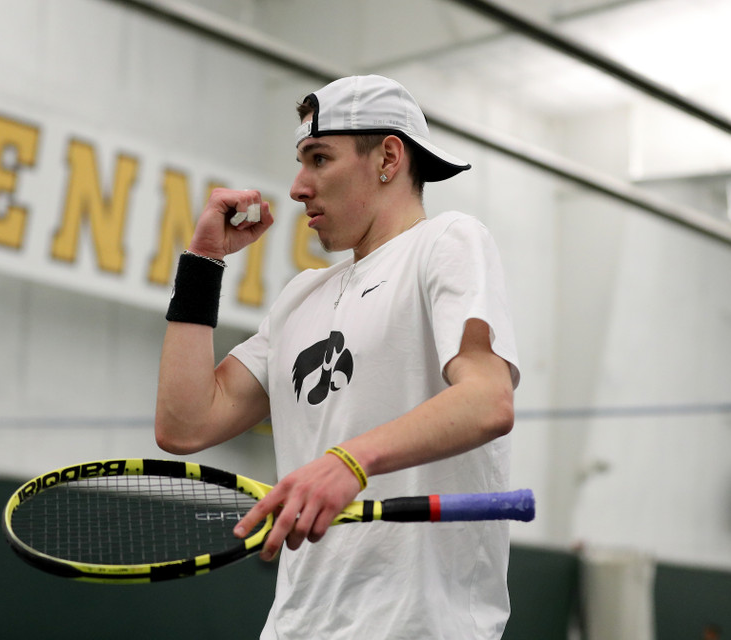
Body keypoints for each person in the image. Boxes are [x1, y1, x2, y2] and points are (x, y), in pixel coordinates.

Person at [155, 74, 520, 639]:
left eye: (319, 158)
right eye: (301, 161)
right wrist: (202, 262)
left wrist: (349, 460)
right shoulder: (302, 295)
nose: (299, 186)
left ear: (389, 158)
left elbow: (487, 399)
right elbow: (184, 423)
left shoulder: (447, 242)